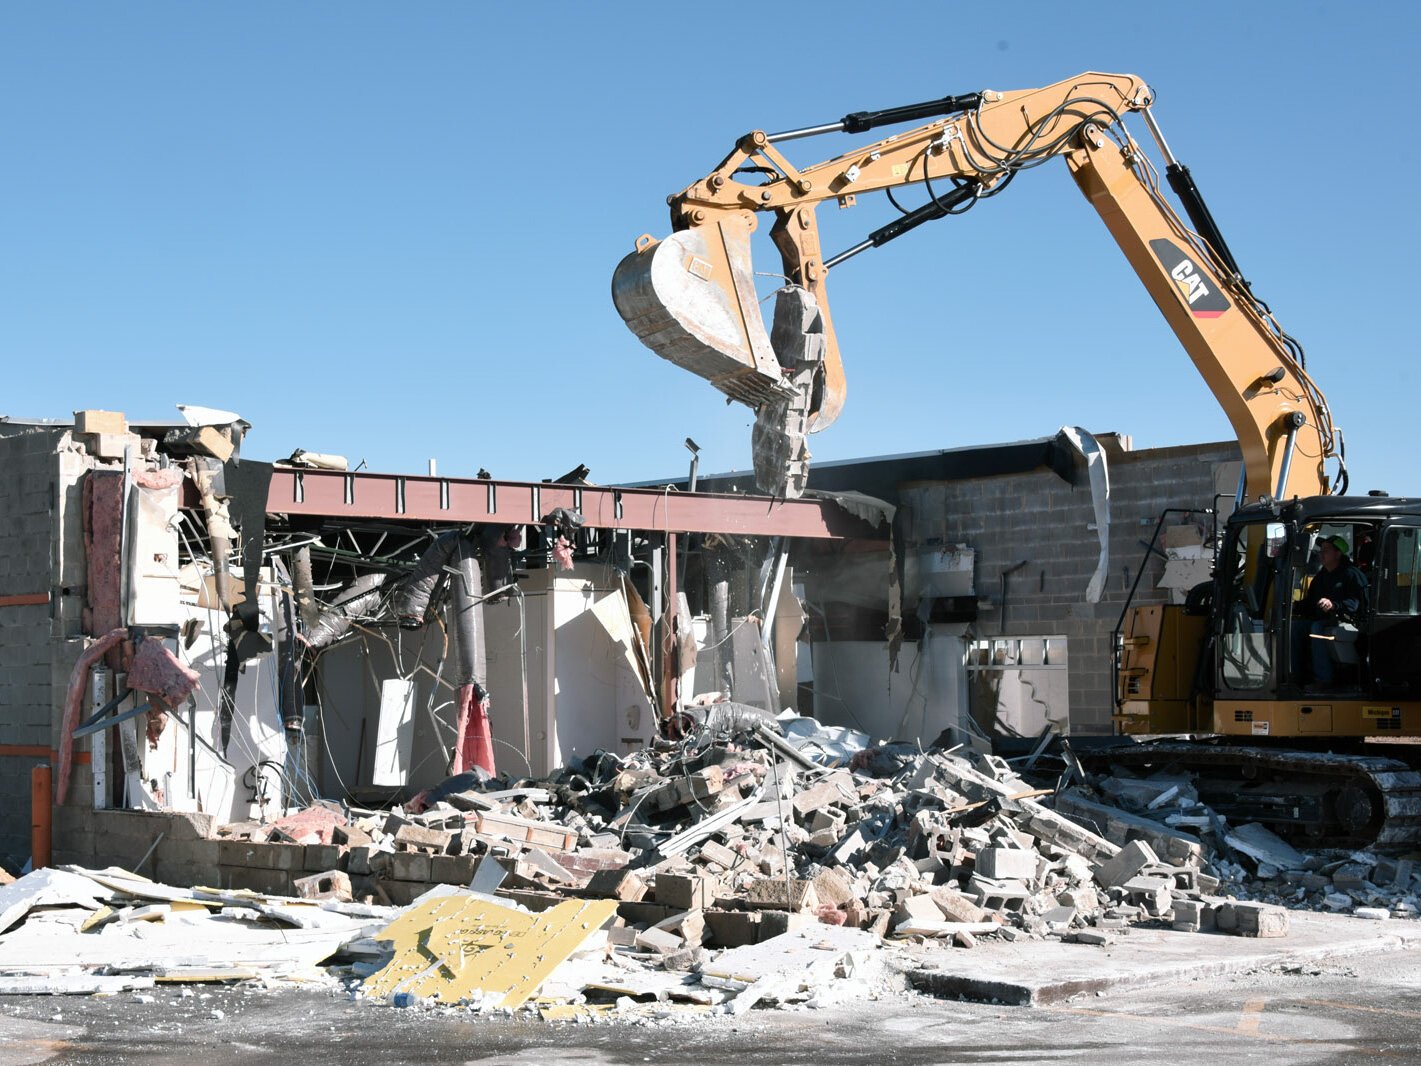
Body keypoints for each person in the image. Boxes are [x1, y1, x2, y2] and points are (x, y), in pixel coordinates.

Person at [1292, 534, 1368, 685]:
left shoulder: (1352, 574)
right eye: (1321, 550)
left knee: (1317, 627)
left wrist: (1334, 605)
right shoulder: (1321, 576)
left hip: (1347, 621)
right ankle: (1294, 676)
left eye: (1326, 550)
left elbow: (1355, 604)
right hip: (1324, 619)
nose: (1321, 553)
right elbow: (1310, 603)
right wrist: (1293, 606)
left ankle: (1323, 680)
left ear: (1338, 553)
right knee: (1294, 627)